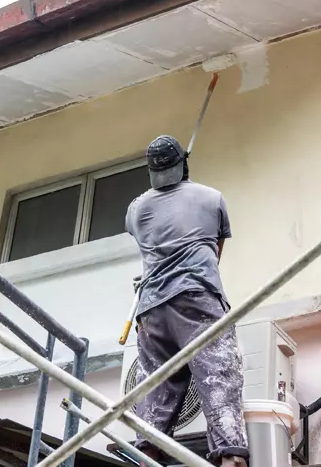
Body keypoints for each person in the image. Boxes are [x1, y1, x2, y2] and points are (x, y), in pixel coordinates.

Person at [125, 135, 248, 467]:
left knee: (157, 382)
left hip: (151, 309)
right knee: (218, 374)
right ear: (184, 164)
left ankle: (147, 452)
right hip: (197, 298)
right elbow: (215, 253)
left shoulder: (135, 209)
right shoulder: (211, 198)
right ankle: (231, 456)